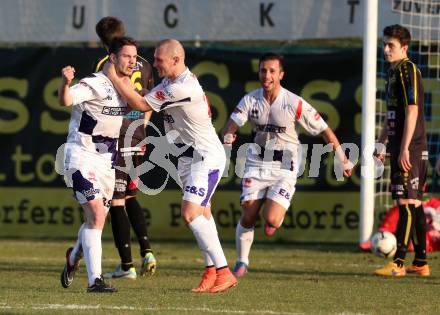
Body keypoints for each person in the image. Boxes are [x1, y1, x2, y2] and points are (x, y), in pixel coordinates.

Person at [102, 38, 237, 293]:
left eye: (158, 59)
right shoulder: (171, 83)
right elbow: (146, 97)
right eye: (153, 58)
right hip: (188, 158)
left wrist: (115, 76)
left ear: (176, 60)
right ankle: (211, 272)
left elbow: (141, 105)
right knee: (204, 213)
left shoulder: (181, 87)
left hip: (205, 157)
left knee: (190, 213)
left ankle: (223, 270)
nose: (154, 63)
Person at [221, 52, 353, 277]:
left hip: (285, 164)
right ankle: (242, 261)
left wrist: (343, 157)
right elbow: (230, 127)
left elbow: (324, 129)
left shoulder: (294, 102)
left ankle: (275, 217)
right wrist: (227, 136)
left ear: (281, 74)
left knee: (271, 219)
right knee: (249, 214)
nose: (267, 75)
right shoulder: (250, 100)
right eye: (263, 70)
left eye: (272, 71)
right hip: (257, 160)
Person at [59, 36, 144, 292]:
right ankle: (94, 281)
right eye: (127, 56)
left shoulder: (125, 87)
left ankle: (73, 257)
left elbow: (133, 110)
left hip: (107, 163)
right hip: (81, 157)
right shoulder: (94, 83)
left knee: (94, 220)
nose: (132, 61)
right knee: (96, 214)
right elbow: (65, 100)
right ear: (113, 57)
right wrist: (66, 83)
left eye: (134, 56)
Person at [93, 16, 157, 280]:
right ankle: (147, 251)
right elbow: (150, 101)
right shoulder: (143, 63)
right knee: (130, 195)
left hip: (117, 137)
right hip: (138, 134)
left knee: (116, 201)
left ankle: (127, 265)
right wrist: (141, 125)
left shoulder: (106, 63)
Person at [374, 24, 430, 277]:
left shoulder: (408, 70)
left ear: (404, 48)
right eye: (384, 44)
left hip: (411, 146)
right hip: (401, 144)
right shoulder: (392, 72)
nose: (386, 49)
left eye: (391, 45)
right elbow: (392, 114)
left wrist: (405, 147)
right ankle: (420, 262)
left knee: (405, 202)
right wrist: (381, 142)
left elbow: (412, 110)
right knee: (415, 204)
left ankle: (398, 263)